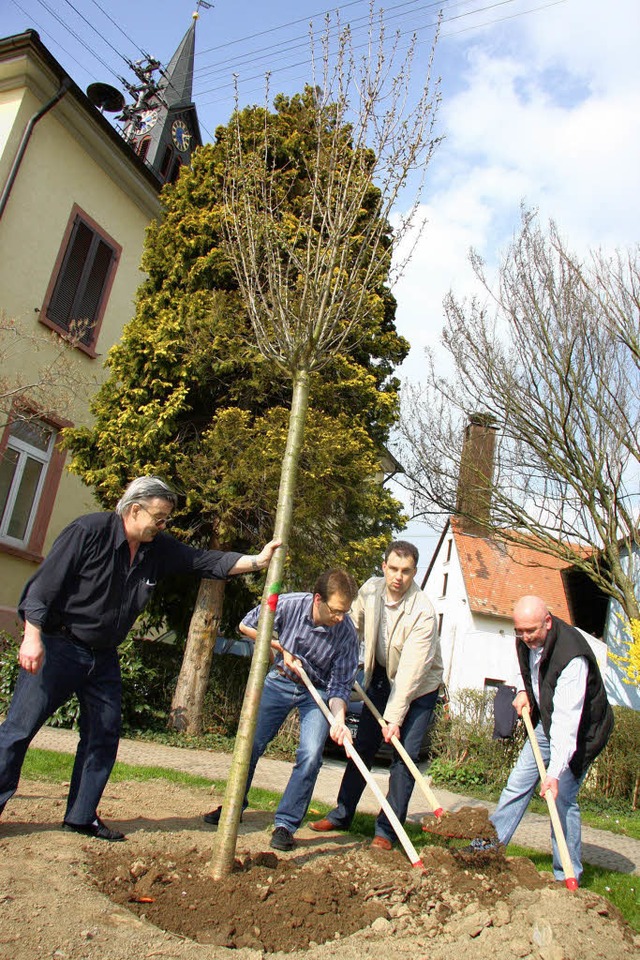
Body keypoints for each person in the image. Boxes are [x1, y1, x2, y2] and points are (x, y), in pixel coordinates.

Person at [0, 476, 280, 842]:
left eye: (166, 520)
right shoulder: (88, 531)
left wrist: (257, 561)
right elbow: (42, 586)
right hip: (58, 646)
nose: (163, 526)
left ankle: (81, 815)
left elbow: (202, 561)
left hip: (102, 657)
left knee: (104, 733)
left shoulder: (155, 548)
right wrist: (32, 637)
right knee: (19, 730)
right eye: (159, 517)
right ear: (134, 510)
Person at [202, 568, 359, 851]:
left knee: (311, 755)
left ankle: (286, 824)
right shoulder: (290, 604)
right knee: (250, 745)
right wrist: (280, 647)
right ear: (317, 599)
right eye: (335, 611)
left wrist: (339, 720)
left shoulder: (347, 633)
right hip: (280, 680)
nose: (340, 618)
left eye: (344, 612)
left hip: (318, 692)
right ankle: (233, 807)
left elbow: (339, 686)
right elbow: (246, 625)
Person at [468, 595, 614, 885]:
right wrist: (521, 690)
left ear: (548, 622)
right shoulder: (525, 637)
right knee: (516, 785)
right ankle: (486, 851)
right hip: (548, 724)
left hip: (582, 732)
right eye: (519, 631)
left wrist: (556, 773)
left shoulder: (572, 657)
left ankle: (567, 874)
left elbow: (567, 721)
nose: (524, 637)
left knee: (561, 799)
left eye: (531, 631)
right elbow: (524, 667)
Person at [311, 540, 443, 850]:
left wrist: (394, 718)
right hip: (381, 676)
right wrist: (327, 656)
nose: (399, 577)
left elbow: (411, 673)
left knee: (404, 758)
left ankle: (387, 830)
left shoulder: (423, 612)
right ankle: (342, 814)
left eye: (406, 571)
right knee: (362, 748)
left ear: (414, 572)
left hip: (420, 688)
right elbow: (348, 628)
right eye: (393, 569)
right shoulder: (371, 590)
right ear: (384, 567)